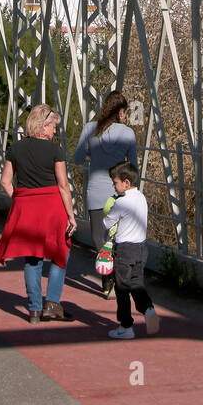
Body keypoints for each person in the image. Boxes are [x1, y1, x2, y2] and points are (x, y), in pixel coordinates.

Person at [0, 103, 77, 323]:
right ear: (43, 125)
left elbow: (5, 182)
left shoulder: (16, 148)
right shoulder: (55, 150)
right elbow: (63, 186)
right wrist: (71, 215)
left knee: (33, 258)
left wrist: (20, 200)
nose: (54, 132)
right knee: (61, 253)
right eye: (53, 127)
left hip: (27, 209)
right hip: (52, 209)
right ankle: (52, 303)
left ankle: (34, 310)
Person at [73, 91, 137, 296]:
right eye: (125, 112)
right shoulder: (128, 134)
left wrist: (94, 154)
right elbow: (133, 166)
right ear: (119, 112)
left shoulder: (89, 129)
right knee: (119, 236)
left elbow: (77, 158)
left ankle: (106, 275)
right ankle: (117, 277)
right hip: (120, 194)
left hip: (96, 191)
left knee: (99, 238)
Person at [103, 161, 159, 340]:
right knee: (137, 282)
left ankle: (126, 325)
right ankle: (148, 309)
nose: (114, 185)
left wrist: (110, 206)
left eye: (115, 182)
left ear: (126, 183)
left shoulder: (121, 202)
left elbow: (107, 222)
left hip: (125, 249)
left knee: (122, 288)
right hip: (141, 247)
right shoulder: (141, 197)